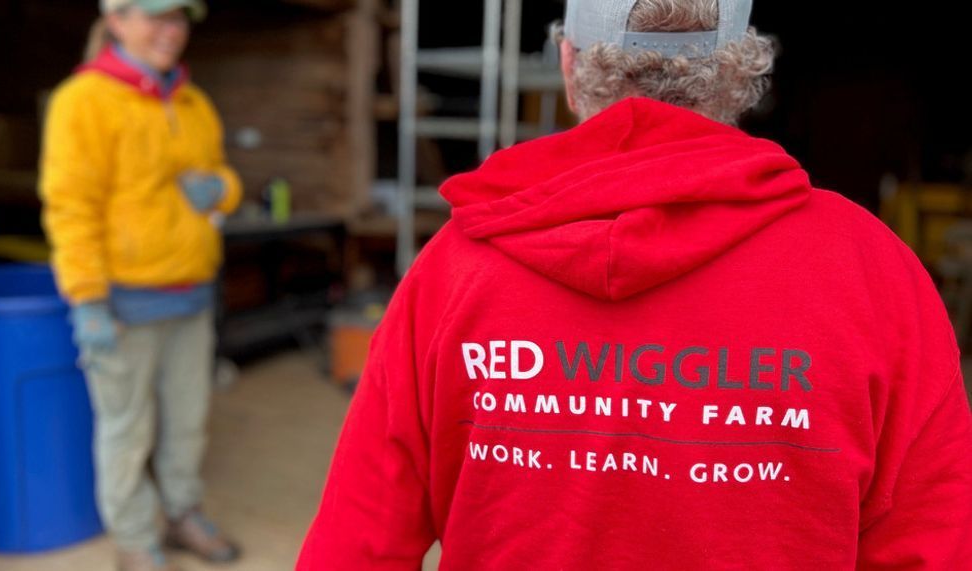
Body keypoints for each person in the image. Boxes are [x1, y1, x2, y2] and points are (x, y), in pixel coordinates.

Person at [296, 0, 972, 569]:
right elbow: (934, 544)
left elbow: (357, 544)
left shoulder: (455, 269)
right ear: (742, 73)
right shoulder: (871, 271)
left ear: (567, 66)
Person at [39, 1, 243, 570]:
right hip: (123, 304)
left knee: (187, 424)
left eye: (178, 19)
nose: (170, 32)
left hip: (193, 295)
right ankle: (134, 542)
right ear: (116, 19)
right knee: (127, 432)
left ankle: (181, 515)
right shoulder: (82, 101)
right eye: (156, 17)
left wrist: (221, 189)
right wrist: (88, 300)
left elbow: (223, 175)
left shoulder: (193, 101)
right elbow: (70, 208)